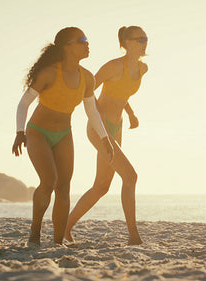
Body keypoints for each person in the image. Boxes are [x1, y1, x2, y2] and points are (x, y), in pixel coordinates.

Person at [12, 27, 114, 246]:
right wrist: (20, 132)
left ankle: (58, 242)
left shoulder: (87, 77)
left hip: (64, 134)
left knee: (64, 187)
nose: (87, 44)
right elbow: (24, 103)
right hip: (38, 132)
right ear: (67, 46)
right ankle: (35, 233)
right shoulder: (49, 72)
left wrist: (105, 139)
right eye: (82, 40)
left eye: (87, 40)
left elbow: (92, 111)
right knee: (48, 181)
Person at [65, 26, 148, 245]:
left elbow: (123, 93)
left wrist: (131, 114)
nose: (144, 42)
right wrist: (97, 117)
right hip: (98, 128)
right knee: (130, 176)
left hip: (117, 127)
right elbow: (88, 88)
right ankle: (134, 237)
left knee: (101, 186)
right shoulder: (113, 66)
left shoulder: (142, 68)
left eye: (145, 38)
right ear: (126, 43)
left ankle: (65, 227)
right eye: (139, 39)